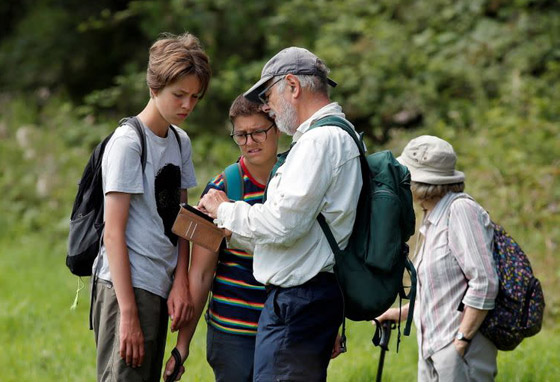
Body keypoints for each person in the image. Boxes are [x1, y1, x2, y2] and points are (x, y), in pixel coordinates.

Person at [198, 47, 362, 382]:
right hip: (303, 300)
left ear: (292, 86)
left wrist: (225, 210)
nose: (268, 106)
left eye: (269, 94)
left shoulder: (319, 142)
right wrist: (231, 231)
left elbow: (284, 224)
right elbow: (300, 237)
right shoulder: (335, 136)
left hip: (297, 303)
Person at [90, 32, 211, 382]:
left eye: (194, 97)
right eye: (179, 95)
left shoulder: (179, 140)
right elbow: (113, 234)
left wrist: (182, 281)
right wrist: (127, 314)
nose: (187, 105)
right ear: (154, 87)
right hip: (126, 287)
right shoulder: (128, 142)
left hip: (160, 285)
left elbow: (182, 220)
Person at [162, 95, 280, 382]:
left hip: (285, 331)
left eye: (258, 132)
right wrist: (182, 346)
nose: (250, 142)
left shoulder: (296, 182)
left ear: (278, 128)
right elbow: (201, 274)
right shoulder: (221, 188)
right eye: (241, 135)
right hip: (233, 334)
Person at [376, 135, 499, 381]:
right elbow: (445, 291)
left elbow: (485, 282)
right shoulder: (434, 218)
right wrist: (401, 313)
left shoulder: (461, 211)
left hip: (458, 349)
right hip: (434, 346)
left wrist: (460, 342)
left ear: (418, 181)